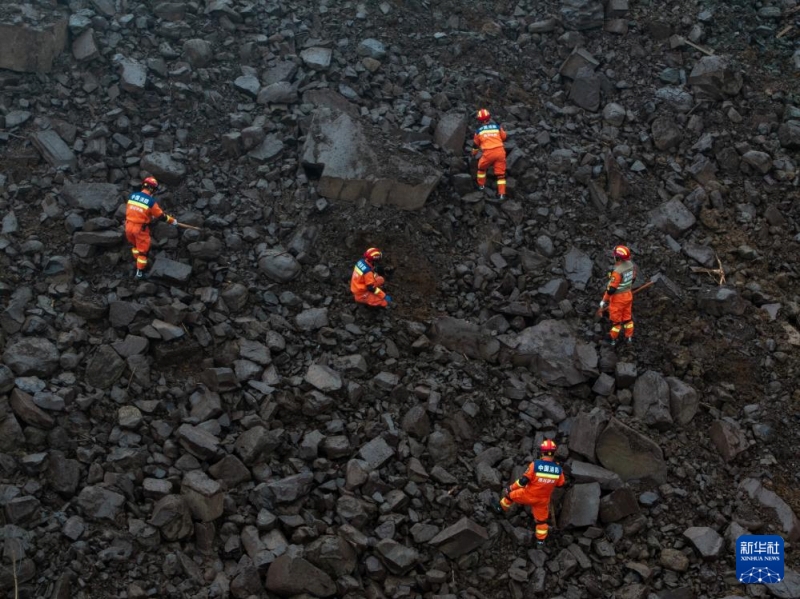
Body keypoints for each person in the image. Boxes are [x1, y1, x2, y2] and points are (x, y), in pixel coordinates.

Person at [492, 439, 566, 545]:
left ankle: (500, 508)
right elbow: (560, 484)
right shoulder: (558, 470)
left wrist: (510, 488)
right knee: (541, 521)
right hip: (543, 501)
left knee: (510, 496)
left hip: (527, 495)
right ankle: (540, 542)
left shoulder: (535, 465)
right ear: (553, 453)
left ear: (542, 452)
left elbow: (522, 482)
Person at [124, 177, 178, 278]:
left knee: (134, 244)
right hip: (140, 228)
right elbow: (161, 216)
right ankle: (139, 273)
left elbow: (133, 210)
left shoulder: (132, 196)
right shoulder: (150, 202)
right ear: (152, 189)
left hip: (128, 226)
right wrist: (172, 221)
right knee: (143, 252)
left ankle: (135, 258)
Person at [598, 245, 637, 346]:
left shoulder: (617, 272)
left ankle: (613, 339)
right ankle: (629, 337)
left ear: (618, 257)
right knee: (627, 318)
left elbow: (611, 290)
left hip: (618, 299)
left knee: (616, 322)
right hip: (628, 296)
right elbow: (633, 279)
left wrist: (604, 300)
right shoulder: (630, 265)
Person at [470, 108, 508, 200]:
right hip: (500, 152)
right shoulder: (497, 127)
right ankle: (502, 194)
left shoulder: (479, 131)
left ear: (479, 120)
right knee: (500, 174)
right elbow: (504, 137)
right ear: (489, 117)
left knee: (481, 168)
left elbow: (476, 145)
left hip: (488, 154)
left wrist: (473, 154)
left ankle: (481, 185)